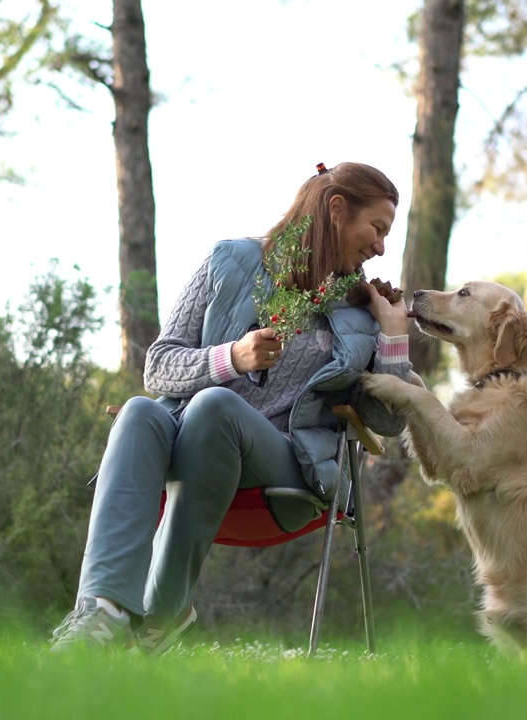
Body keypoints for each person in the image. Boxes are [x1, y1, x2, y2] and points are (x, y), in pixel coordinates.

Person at [49, 161, 413, 653]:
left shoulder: (359, 312)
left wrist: (391, 335)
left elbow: (387, 421)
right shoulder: (230, 261)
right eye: (377, 228)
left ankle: (161, 611)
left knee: (215, 406)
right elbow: (158, 366)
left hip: (285, 463)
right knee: (140, 411)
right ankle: (102, 613)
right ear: (336, 211)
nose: (381, 246)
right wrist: (233, 357)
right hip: (190, 438)